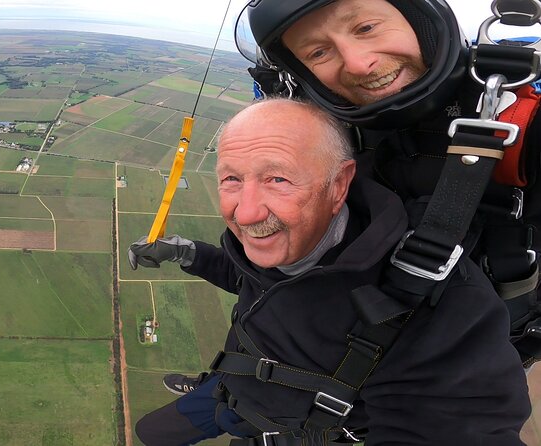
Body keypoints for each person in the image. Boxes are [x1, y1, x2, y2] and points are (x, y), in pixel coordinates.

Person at [167, 0, 541, 395]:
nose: (358, 63)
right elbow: (276, 270)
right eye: (318, 52)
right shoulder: (327, 126)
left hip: (447, 373)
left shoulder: (521, 124)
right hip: (320, 348)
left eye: (365, 27)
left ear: (421, 20)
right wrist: (193, 255)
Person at [128, 98, 530, 445]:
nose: (245, 212)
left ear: (339, 185)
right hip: (229, 386)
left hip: (285, 425)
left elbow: (459, 422)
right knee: (148, 434)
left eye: (278, 178)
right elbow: (251, 280)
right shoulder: (292, 239)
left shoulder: (437, 302)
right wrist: (188, 253)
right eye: (231, 178)